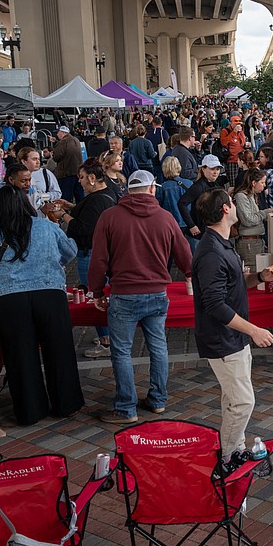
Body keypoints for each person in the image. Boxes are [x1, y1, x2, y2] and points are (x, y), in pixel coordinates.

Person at [88, 170, 193, 424]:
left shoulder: (109, 217)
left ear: (128, 190)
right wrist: (191, 274)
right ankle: (158, 400)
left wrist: (97, 290)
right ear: (152, 189)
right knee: (158, 347)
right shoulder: (165, 218)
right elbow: (185, 256)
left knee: (122, 351)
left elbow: (99, 259)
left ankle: (126, 408)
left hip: (124, 294)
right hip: (157, 293)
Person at [0, 185, 83, 426]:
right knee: (60, 350)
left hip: (11, 297)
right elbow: (69, 251)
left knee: (20, 355)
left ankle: (29, 410)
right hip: (49, 292)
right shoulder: (45, 226)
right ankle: (66, 403)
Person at [192, 188, 273, 467]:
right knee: (243, 402)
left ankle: (236, 447)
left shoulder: (220, 243)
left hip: (232, 338)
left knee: (233, 399)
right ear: (226, 210)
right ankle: (227, 456)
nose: (235, 205)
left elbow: (233, 282)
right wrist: (253, 330)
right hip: (223, 339)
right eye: (231, 202)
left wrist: (260, 276)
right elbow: (215, 305)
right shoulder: (211, 252)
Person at [51, 158, 118, 357]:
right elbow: (88, 213)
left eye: (81, 178)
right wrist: (71, 207)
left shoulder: (97, 199)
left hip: (89, 254)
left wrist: (62, 214)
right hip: (100, 253)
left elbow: (82, 228)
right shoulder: (105, 193)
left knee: (94, 295)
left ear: (91, 178)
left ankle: (106, 341)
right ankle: (106, 336)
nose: (78, 181)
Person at [177, 154, 225, 244]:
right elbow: (181, 203)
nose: (215, 172)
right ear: (203, 169)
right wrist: (191, 225)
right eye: (212, 169)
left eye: (217, 169)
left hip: (210, 233)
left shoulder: (215, 184)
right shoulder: (198, 186)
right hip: (199, 235)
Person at [233, 168, 273, 271]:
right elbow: (248, 220)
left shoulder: (252, 196)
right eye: (262, 182)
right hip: (249, 244)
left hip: (256, 241)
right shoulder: (241, 197)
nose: (264, 185)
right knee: (252, 271)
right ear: (253, 183)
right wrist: (265, 213)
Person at [156, 156, 191, 230]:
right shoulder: (189, 183)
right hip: (189, 223)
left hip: (171, 224)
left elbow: (158, 207)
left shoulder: (162, 188)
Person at [51, 126, 83, 203]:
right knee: (79, 196)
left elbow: (56, 157)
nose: (57, 134)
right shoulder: (76, 140)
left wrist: (52, 153)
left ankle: (64, 214)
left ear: (62, 133)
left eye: (58, 132)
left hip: (66, 173)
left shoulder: (63, 142)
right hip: (77, 172)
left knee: (65, 198)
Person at [220, 115, 247, 186]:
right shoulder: (225, 131)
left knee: (242, 182)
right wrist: (234, 132)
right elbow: (223, 142)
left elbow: (243, 143)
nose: (238, 125)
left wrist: (240, 132)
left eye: (239, 124)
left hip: (240, 160)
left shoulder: (240, 132)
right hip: (231, 160)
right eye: (236, 124)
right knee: (233, 183)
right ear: (231, 123)